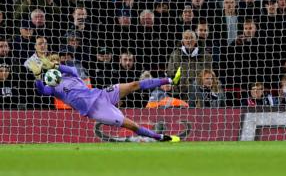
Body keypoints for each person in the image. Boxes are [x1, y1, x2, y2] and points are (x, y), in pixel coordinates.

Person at [27, 55, 181, 142]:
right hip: (96, 110)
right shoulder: (54, 89)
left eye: (56, 61)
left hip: (101, 94)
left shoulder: (71, 72)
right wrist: (37, 77)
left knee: (133, 84)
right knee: (131, 125)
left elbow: (65, 68)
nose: (55, 63)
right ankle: (161, 137)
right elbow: (42, 90)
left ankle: (169, 80)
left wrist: (56, 66)